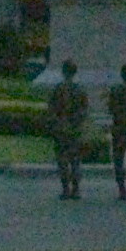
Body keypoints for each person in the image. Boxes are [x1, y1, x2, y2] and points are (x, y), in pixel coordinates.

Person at [46, 58, 89, 199]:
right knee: (75, 160)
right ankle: (76, 189)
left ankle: (66, 189)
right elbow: (84, 110)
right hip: (75, 128)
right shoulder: (80, 90)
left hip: (61, 128)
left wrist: (57, 123)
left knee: (62, 160)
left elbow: (51, 109)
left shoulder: (58, 89)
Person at [107, 62, 126, 199]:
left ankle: (121, 189)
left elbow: (111, 108)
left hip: (119, 128)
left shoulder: (115, 90)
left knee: (118, 160)